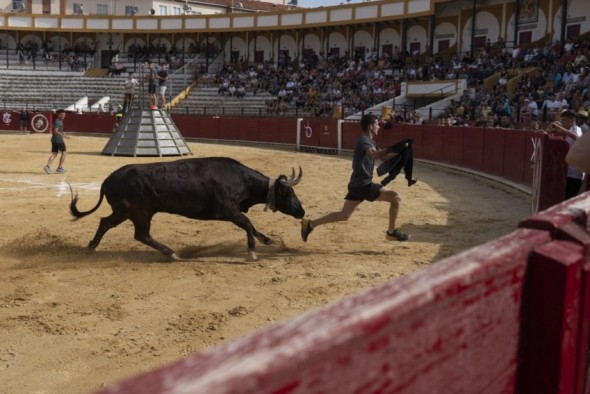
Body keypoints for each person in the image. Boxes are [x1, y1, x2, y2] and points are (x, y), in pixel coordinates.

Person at [300, 113, 410, 243]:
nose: (379, 127)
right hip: (363, 185)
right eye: (377, 124)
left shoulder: (370, 141)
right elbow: (374, 155)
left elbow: (384, 157)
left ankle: (310, 224)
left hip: (357, 184)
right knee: (395, 198)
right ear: (370, 126)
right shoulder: (363, 140)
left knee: (344, 215)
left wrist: (400, 151)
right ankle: (391, 232)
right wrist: (392, 148)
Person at [549, 109, 585, 199]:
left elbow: (576, 137)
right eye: (562, 120)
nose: (562, 122)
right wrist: (550, 129)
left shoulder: (576, 129)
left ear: (572, 120)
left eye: (564, 120)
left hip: (575, 172)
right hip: (567, 170)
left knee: (569, 198)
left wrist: (560, 128)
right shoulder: (568, 130)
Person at [43, 109, 69, 174]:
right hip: (59, 140)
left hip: (54, 139)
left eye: (64, 115)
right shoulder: (58, 121)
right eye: (62, 115)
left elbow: (58, 130)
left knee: (54, 153)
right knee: (64, 153)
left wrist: (63, 133)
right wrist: (64, 135)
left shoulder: (59, 121)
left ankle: (47, 166)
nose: (64, 116)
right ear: (59, 114)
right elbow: (55, 131)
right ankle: (59, 168)